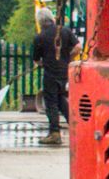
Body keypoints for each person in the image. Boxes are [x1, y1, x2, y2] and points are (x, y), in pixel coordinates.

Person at [33, 9, 79, 145]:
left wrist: (43, 63)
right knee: (60, 100)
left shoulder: (40, 37)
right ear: (51, 18)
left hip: (50, 74)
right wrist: (67, 58)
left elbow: (36, 60)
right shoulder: (64, 31)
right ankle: (77, 128)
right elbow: (78, 47)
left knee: (51, 102)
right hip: (64, 72)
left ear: (40, 21)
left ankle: (54, 133)